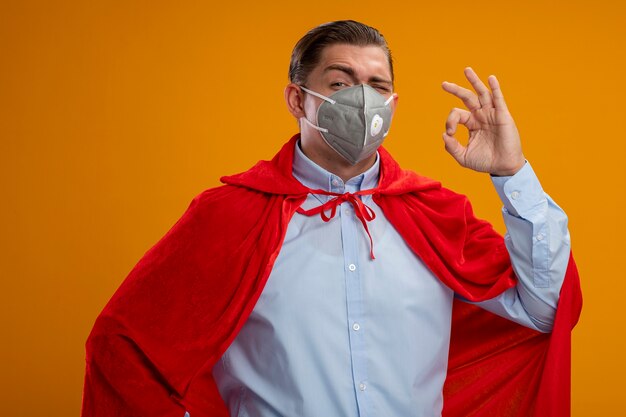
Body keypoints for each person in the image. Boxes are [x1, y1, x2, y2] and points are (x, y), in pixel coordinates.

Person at [81, 20, 581, 417]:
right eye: (340, 82)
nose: (361, 98)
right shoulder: (228, 217)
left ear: (392, 104)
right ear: (298, 99)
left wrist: (511, 173)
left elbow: (545, 312)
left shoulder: (434, 213)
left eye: (376, 85)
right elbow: (124, 351)